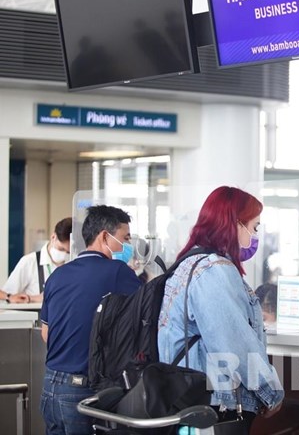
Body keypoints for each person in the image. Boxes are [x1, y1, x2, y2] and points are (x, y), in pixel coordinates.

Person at [158, 186, 284, 431]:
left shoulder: (190, 263)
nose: (255, 237)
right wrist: (271, 392)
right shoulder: (214, 270)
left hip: (189, 397)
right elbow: (234, 343)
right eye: (254, 227)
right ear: (235, 224)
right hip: (215, 403)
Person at [40, 205, 142, 435]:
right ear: (105, 236)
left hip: (50, 387)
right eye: (125, 238)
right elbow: (147, 310)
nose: (128, 245)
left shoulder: (58, 275)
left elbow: (46, 333)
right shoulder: (117, 271)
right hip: (81, 391)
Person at [1, 217, 72, 304]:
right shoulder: (29, 262)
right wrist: (33, 298)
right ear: (53, 237)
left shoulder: (74, 263)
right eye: (61, 249)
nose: (64, 254)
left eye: (68, 252)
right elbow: (7, 297)